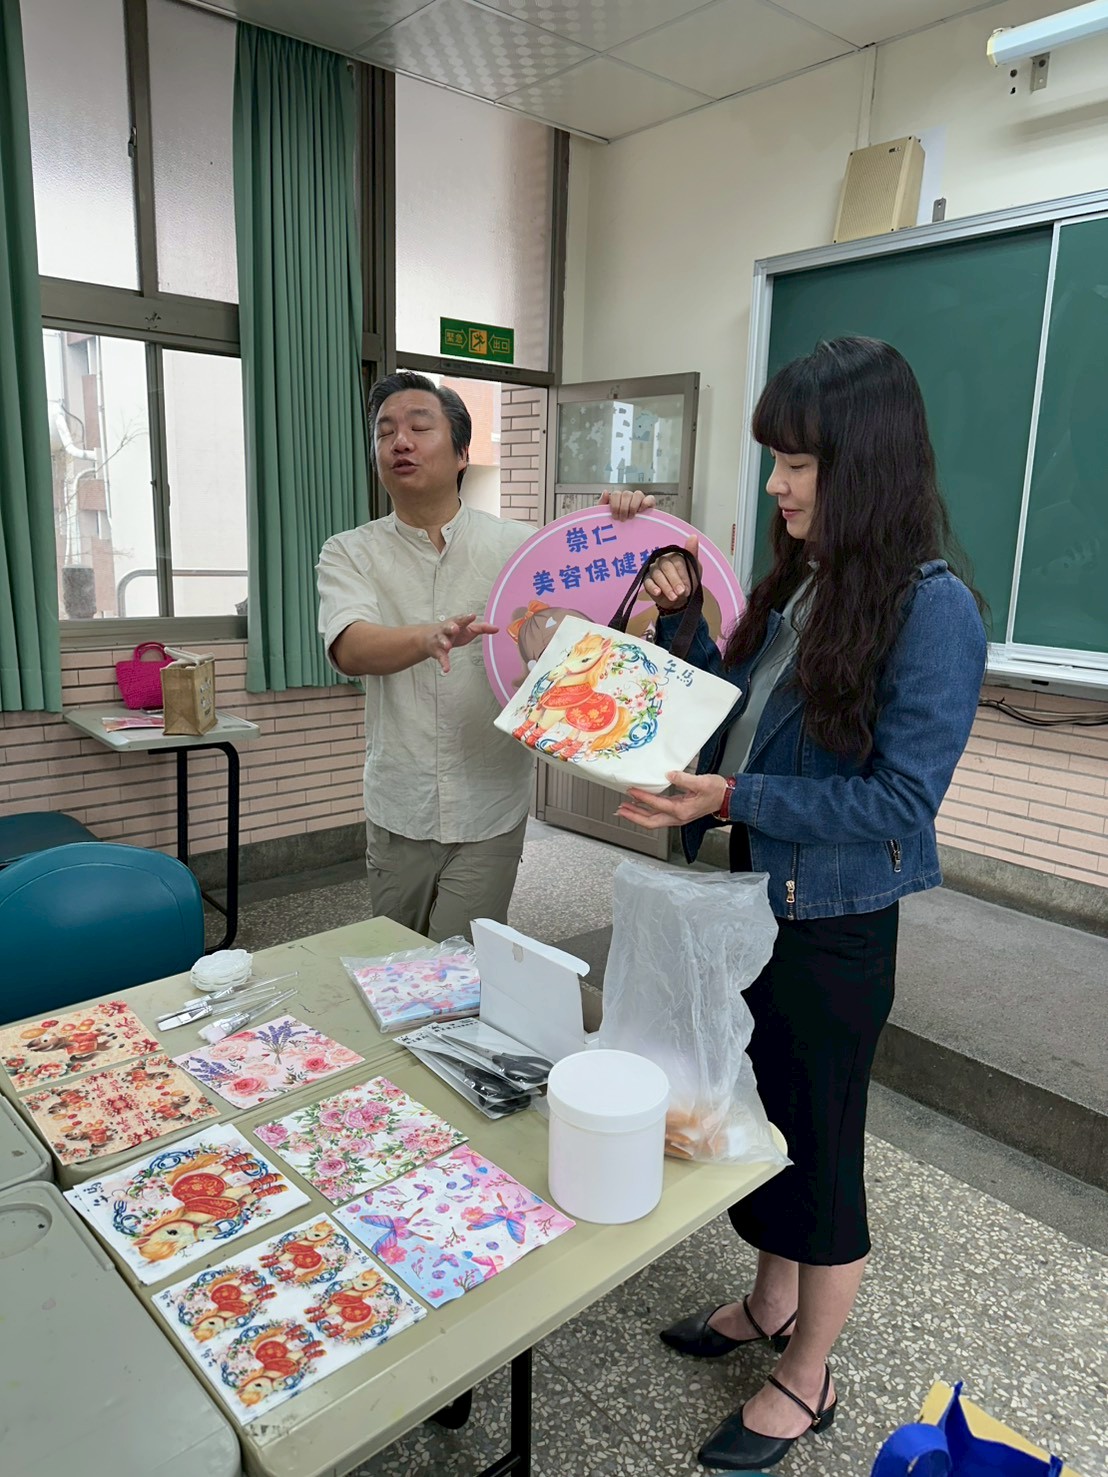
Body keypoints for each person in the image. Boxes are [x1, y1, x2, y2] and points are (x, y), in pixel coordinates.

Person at [609, 337, 987, 1472]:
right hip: (757, 900)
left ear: (864, 463)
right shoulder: (807, 583)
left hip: (834, 924)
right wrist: (677, 628)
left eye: (797, 463)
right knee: (760, 1117)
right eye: (774, 460)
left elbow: (900, 801)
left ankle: (807, 1373)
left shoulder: (933, 610)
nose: (775, 484)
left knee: (820, 1145)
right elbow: (737, 712)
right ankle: (769, 1303)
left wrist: (734, 796)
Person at [316, 371, 535, 941]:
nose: (400, 442)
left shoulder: (517, 547)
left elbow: (587, 618)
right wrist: (426, 638)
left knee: (461, 967)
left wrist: (623, 520)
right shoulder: (349, 552)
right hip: (401, 806)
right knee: (398, 960)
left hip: (491, 804)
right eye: (385, 432)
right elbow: (349, 645)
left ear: (462, 453)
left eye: (419, 427)